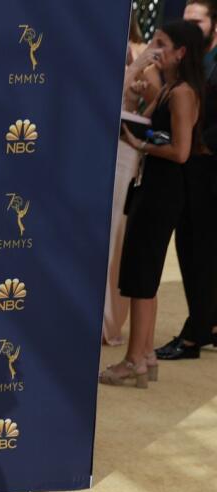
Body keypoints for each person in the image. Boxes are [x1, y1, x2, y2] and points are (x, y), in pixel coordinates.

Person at [103, 19, 206, 387]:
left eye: (162, 43)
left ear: (181, 52)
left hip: (163, 190)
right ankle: (144, 355)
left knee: (140, 279)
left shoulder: (182, 93)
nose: (155, 48)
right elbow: (146, 122)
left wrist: (141, 145)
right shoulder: (171, 89)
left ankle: (134, 362)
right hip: (151, 187)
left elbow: (180, 151)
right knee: (140, 276)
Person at [156, 0, 217, 359]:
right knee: (194, 250)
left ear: (214, 26)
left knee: (200, 254)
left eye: (199, 21)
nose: (191, 26)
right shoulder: (189, 64)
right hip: (191, 170)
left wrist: (204, 144)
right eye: (187, 20)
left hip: (208, 170)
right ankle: (205, 324)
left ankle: (194, 335)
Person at [104, 17, 164, 346]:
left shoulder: (142, 51)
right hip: (95, 150)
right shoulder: (97, 49)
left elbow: (160, 102)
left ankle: (109, 323)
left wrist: (142, 91)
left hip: (126, 152)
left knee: (116, 235)